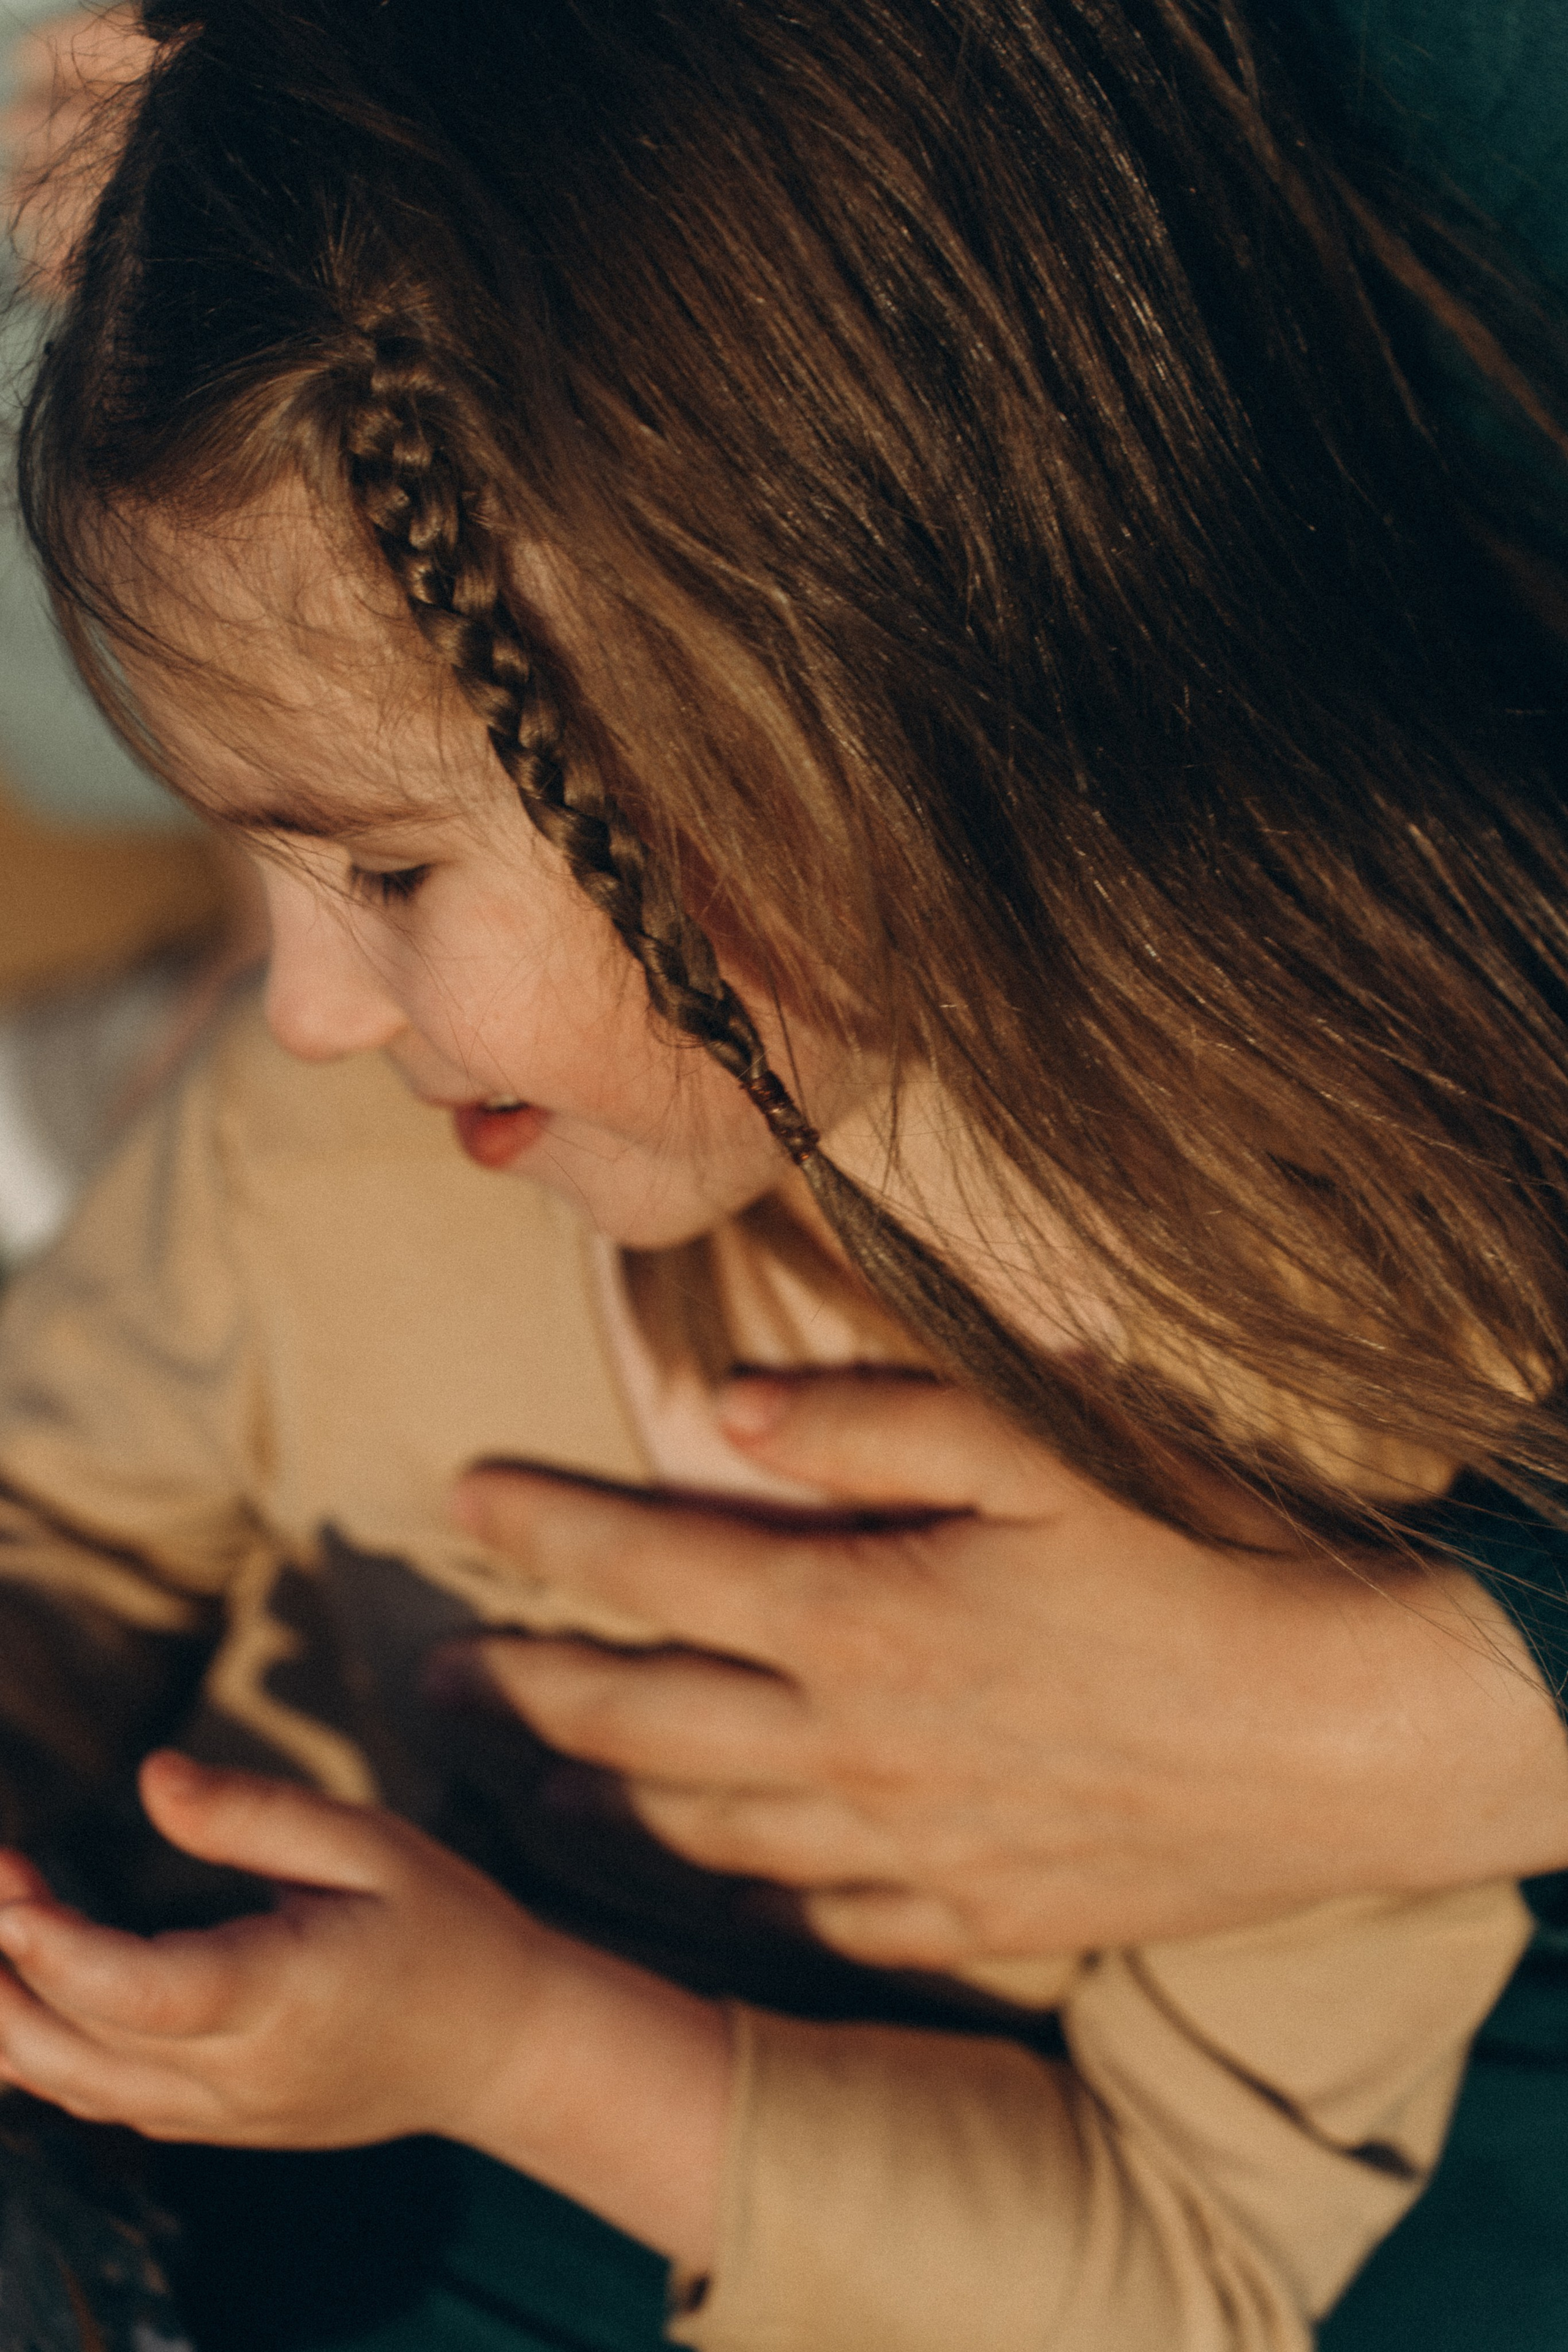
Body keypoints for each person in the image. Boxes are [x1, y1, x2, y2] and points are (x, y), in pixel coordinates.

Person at [2, 1, 1568, 2345]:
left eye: (390, 872)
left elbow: (1188, 2277)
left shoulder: (1336, 1375)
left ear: (819, 737)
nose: (303, 1008)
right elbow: (55, 1519)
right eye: (261, 865)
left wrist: (518, 2052)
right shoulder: (322, 1139)